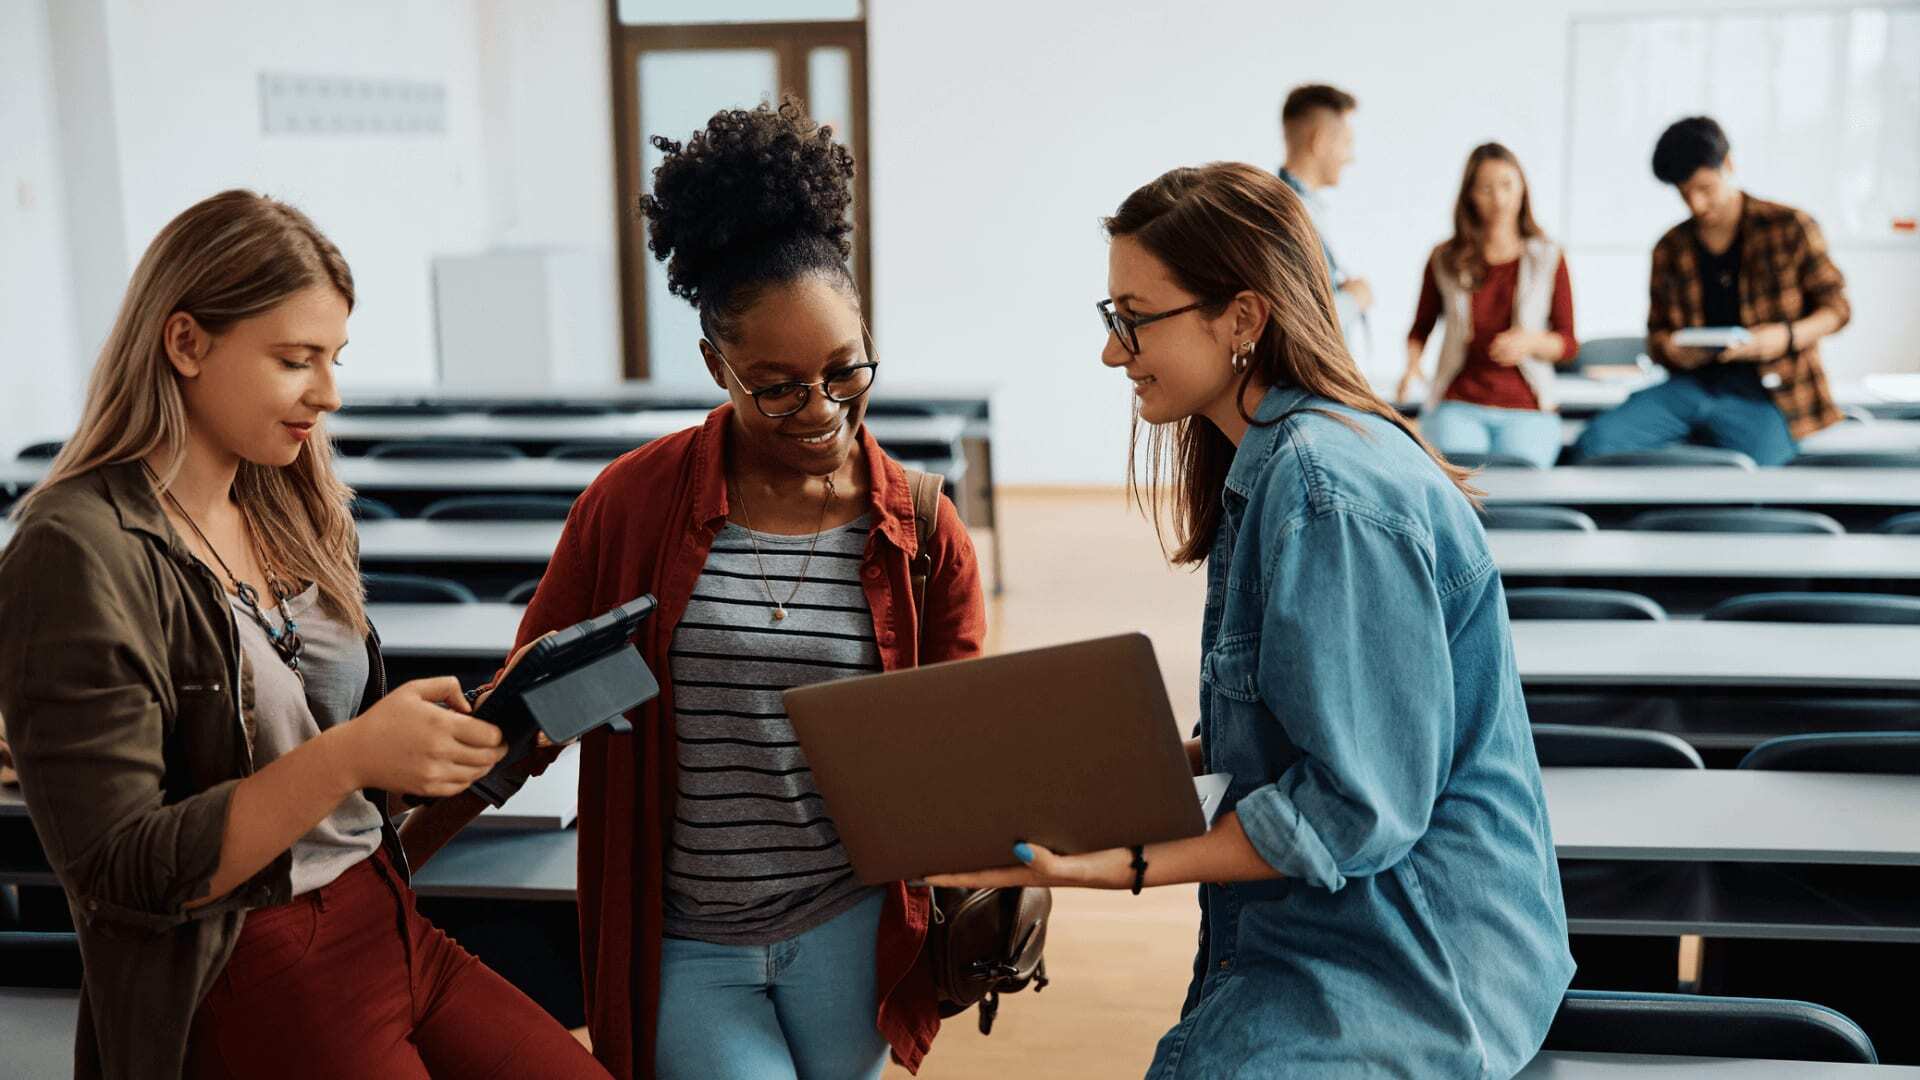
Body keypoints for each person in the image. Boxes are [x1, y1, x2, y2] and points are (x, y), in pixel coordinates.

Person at [937, 162, 1574, 1077]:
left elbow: (1360, 804)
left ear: (1241, 318)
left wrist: (1119, 866)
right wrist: (1065, 777)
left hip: (1421, 957)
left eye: (1134, 319)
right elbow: (1286, 740)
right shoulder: (1278, 462)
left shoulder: (1325, 491)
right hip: (1346, 929)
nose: (1114, 353)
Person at [399, 100, 988, 1080]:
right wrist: (393, 865)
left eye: (847, 373)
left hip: (850, 930)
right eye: (779, 386)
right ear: (716, 365)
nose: (825, 412)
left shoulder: (919, 531)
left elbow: (958, 753)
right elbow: (530, 715)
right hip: (685, 943)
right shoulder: (631, 509)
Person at [0, 190, 609, 1080]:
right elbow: (122, 871)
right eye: (295, 360)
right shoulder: (74, 548)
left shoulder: (288, 499)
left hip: (387, 921)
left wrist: (462, 750)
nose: (327, 394)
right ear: (185, 343)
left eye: (334, 358)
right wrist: (357, 754)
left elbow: (341, 796)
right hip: (251, 964)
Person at [1571, 116, 1850, 465]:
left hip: (1770, 391)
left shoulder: (1789, 227)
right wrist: (1673, 349)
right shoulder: (1670, 247)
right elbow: (1657, 336)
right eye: (1685, 194)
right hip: (1690, 386)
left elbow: (1838, 309)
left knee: (1765, 468)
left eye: (1705, 189)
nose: (1697, 205)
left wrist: (1784, 337)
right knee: (1595, 445)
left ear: (1728, 165)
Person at [1400, 142, 1579, 468]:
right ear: (1469, 195)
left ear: (1522, 188)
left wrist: (1531, 342)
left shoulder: (1548, 256)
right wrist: (1412, 365)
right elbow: (1420, 327)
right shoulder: (1444, 258)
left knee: (1524, 478)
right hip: (1459, 402)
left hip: (1527, 407)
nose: (1498, 199)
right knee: (1462, 481)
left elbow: (1567, 343)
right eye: (1485, 188)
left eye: (1507, 185)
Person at [1278, 84, 1373, 351]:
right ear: (1319, 141)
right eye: (1347, 143)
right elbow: (1295, 323)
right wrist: (1354, 298)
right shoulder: (1287, 213)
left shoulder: (1299, 208)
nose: (1351, 157)